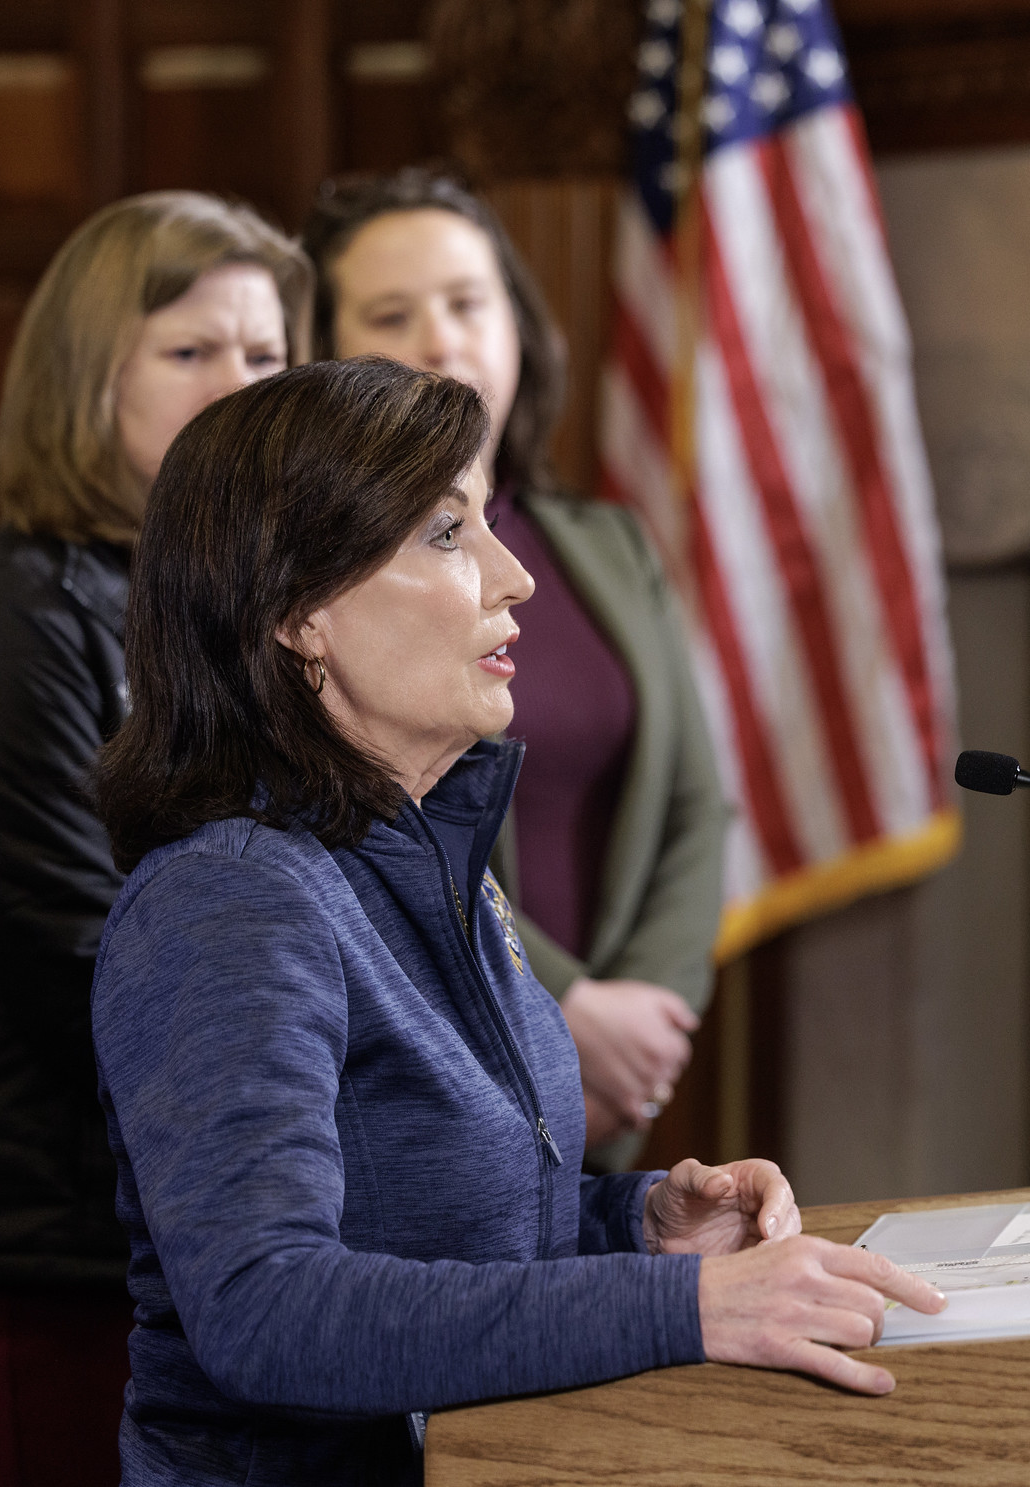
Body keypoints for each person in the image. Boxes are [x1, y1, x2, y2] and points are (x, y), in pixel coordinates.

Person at [88, 356, 943, 1485]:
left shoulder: (423, 861)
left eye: (487, 523)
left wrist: (634, 1223)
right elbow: (263, 1307)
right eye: (445, 535)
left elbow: (438, 1225)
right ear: (300, 615)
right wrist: (678, 1303)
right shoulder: (227, 898)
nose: (514, 577)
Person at [0, 192, 312, 1487]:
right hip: (63, 1261)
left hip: (218, 1228)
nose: (239, 386)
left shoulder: (236, 608)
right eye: (192, 352)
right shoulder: (4, 621)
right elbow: (78, 966)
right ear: (87, 380)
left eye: (265, 354)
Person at [302, 172, 725, 1161]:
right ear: (321, 349)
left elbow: (696, 803)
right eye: (390, 313)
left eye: (465, 302)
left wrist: (646, 1015)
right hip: (431, 1070)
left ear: (520, 327)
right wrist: (565, 1007)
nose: (440, 340)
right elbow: (364, 813)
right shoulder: (318, 573)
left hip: (618, 1085)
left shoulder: (605, 544)